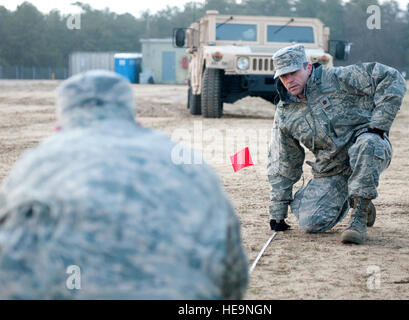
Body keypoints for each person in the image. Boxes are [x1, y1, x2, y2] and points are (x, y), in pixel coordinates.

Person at [0, 70, 248, 299]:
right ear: (135, 120)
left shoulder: (34, 166)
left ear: (58, 128)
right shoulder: (189, 164)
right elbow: (233, 277)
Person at [268, 44, 406, 244]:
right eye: (283, 76)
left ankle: (358, 217)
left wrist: (378, 126)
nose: (289, 80)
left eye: (293, 72)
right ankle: (354, 198)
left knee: (367, 143)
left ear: (307, 68)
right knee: (310, 223)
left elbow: (392, 77)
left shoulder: (339, 77)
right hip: (331, 169)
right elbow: (283, 160)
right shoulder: (285, 112)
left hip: (368, 148)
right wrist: (278, 211)